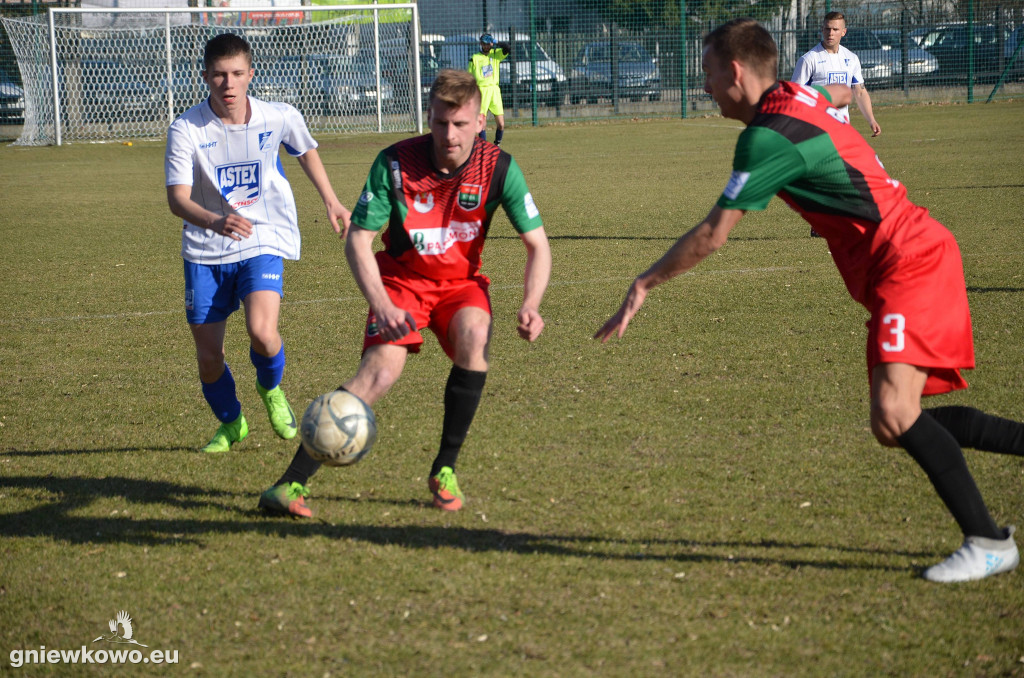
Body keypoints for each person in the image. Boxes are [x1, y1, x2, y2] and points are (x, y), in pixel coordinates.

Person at [596, 18, 1023, 583]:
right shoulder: (798, 94)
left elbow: (712, 235)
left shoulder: (768, 134)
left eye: (705, 73)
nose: (702, 87)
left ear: (735, 71)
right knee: (896, 418)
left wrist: (643, 283)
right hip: (914, 251)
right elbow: (838, 92)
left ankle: (988, 541)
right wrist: (847, 106)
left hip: (907, 260)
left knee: (895, 415)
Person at [259, 68, 551, 516]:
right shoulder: (394, 163)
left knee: (475, 337)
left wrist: (531, 305)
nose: (448, 134)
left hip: (459, 287)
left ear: (479, 122)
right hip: (399, 283)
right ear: (428, 117)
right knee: (379, 374)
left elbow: (538, 246)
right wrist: (380, 303)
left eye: (459, 124)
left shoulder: (500, 168)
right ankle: (289, 485)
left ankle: (445, 469)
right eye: (439, 122)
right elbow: (359, 239)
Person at [165, 33, 351, 453]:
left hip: (261, 236)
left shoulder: (278, 116)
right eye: (218, 75)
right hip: (204, 248)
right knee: (209, 357)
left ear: (251, 74)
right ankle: (232, 423)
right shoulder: (186, 129)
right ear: (206, 77)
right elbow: (177, 199)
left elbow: (305, 151)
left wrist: (332, 201)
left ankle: (271, 389)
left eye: (235, 74)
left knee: (263, 333)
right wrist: (216, 220)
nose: (228, 85)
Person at [792, 12, 881, 137]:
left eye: (835, 29)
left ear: (843, 32)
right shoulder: (808, 59)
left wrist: (871, 120)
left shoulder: (851, 58)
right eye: (827, 29)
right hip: (816, 129)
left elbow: (860, 92)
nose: (831, 33)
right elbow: (795, 95)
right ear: (822, 30)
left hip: (842, 127)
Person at [468, 33, 511, 146]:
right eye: (485, 44)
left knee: (501, 124)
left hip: (494, 91)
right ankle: (485, 147)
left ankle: (497, 144)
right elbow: (469, 78)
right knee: (482, 123)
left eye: (489, 44)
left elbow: (508, 48)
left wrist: (496, 42)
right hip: (481, 91)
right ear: (481, 44)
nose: (487, 46)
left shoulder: (495, 54)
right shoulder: (474, 58)